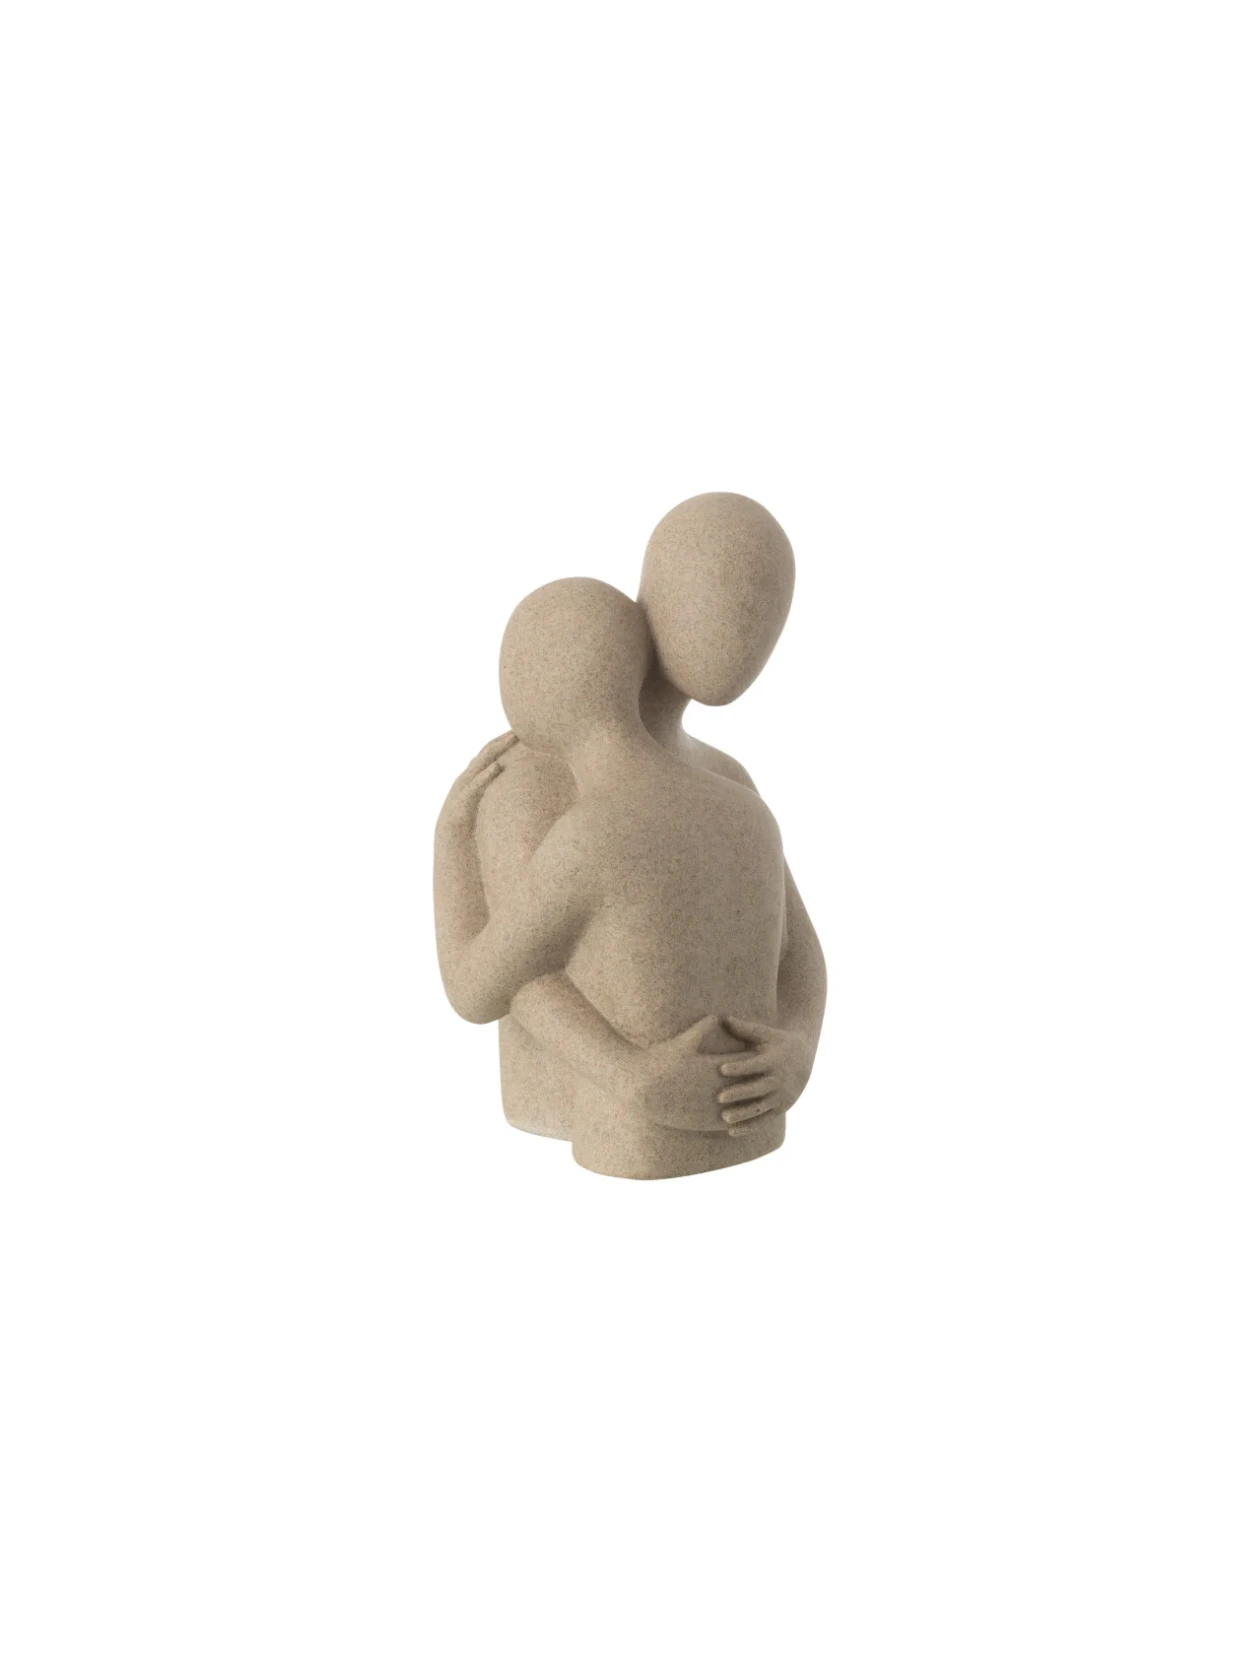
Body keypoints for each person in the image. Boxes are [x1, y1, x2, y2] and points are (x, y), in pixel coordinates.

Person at [440, 491, 826, 1142]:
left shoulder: (729, 780)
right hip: (597, 1120)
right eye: (716, 591)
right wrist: (627, 1076)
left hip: (684, 1131)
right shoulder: (530, 782)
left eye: (768, 606)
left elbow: (797, 950)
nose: (747, 632)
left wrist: (799, 1046)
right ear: (654, 597)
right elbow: (526, 976)